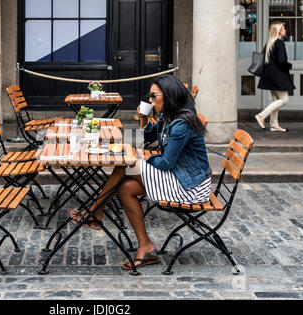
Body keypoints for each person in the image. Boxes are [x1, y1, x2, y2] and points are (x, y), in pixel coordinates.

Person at [69, 74, 212, 270]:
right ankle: (146, 246)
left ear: (168, 95)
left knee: (127, 162)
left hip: (191, 186)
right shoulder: (169, 116)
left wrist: (145, 158)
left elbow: (165, 163)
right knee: (126, 188)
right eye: (150, 97)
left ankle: (95, 211)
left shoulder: (181, 124)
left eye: (154, 96)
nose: (150, 100)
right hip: (178, 178)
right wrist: (144, 119)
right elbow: (149, 135)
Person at [256, 21, 296, 132]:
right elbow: (281, 61)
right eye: (283, 28)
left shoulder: (269, 43)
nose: (285, 30)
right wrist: (289, 65)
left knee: (276, 100)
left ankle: (274, 124)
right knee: (284, 99)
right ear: (279, 31)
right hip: (278, 77)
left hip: (269, 77)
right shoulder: (280, 43)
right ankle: (261, 116)